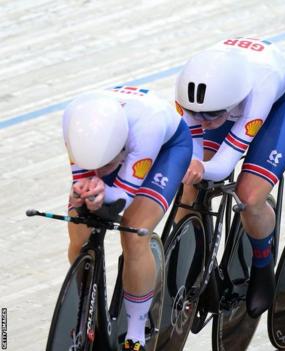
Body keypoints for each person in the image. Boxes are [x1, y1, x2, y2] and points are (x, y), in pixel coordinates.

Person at [174, 37, 285, 318]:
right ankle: (182, 262)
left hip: (282, 102)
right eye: (197, 114)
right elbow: (193, 144)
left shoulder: (261, 88)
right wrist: (194, 165)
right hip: (227, 97)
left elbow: (223, 165)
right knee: (190, 188)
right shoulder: (191, 92)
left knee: (249, 196)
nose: (204, 122)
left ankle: (262, 263)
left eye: (210, 116)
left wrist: (202, 166)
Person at [63, 87, 192, 351]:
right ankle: (86, 309)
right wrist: (83, 192)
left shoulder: (148, 128)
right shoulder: (73, 120)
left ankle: (136, 332)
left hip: (166, 149)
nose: (100, 172)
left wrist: (101, 193)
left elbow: (123, 197)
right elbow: (82, 178)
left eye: (107, 165)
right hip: (109, 147)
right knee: (78, 230)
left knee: (133, 233)